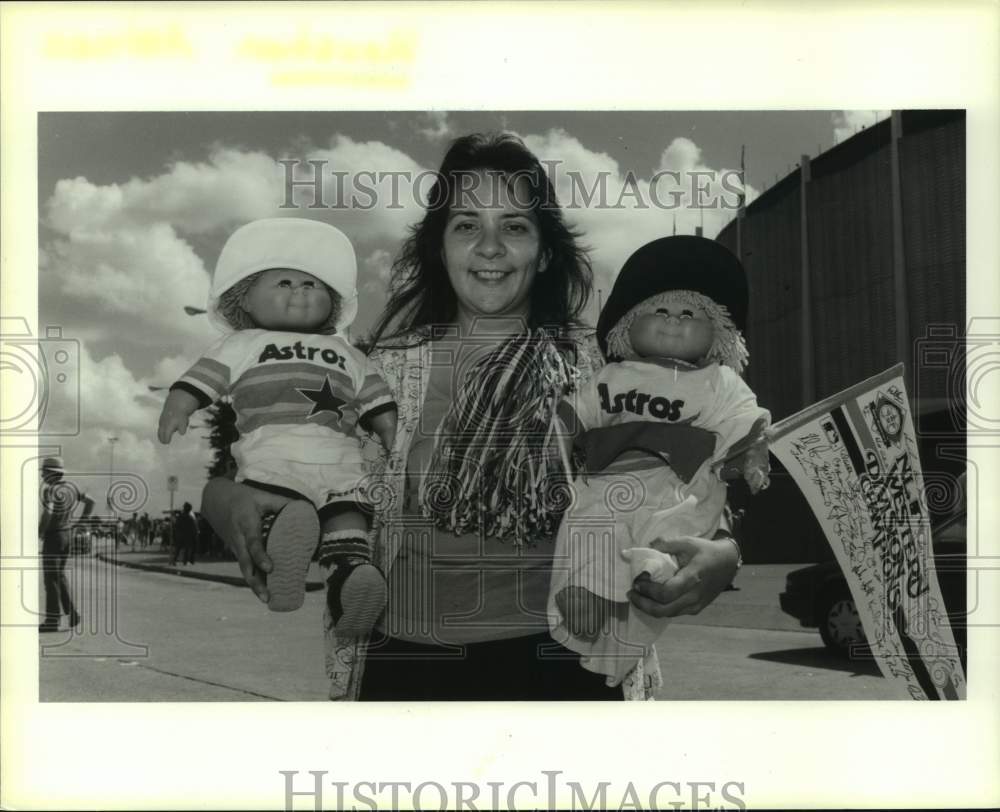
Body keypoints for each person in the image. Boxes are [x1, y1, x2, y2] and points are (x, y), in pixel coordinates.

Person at [201, 133, 744, 701]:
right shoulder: (377, 372)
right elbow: (292, 462)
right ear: (439, 247)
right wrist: (224, 500)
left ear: (545, 251)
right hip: (409, 661)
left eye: (514, 226)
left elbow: (678, 472)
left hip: (573, 659)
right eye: (466, 225)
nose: (490, 247)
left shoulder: (604, 365)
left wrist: (723, 555)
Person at [549, 235, 770, 685]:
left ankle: (651, 576)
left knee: (671, 533)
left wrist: (753, 458)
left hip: (677, 486)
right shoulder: (610, 374)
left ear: (719, 335)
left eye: (690, 314)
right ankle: (583, 593)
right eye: (658, 311)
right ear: (627, 326)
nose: (673, 319)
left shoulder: (719, 383)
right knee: (586, 526)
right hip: (607, 481)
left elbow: (747, 423)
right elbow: (574, 413)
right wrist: (558, 440)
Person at [159, 218, 397, 628]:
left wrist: (391, 430)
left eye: (313, 285)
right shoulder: (242, 344)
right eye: (284, 283)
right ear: (246, 301)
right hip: (275, 456)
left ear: (332, 304)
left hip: (340, 461)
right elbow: (204, 378)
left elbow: (375, 397)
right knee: (283, 510)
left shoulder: (346, 352)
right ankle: (282, 562)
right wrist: (179, 404)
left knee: (348, 524)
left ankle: (351, 583)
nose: (301, 292)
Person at [38, 456, 95, 632]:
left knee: (51, 580)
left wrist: (39, 532)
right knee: (59, 576)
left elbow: (48, 512)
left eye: (44, 472)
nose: (42, 476)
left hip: (54, 536)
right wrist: (82, 522)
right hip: (67, 535)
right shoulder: (72, 488)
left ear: (51, 473)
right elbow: (91, 501)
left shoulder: (50, 490)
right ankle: (72, 611)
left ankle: (52, 620)